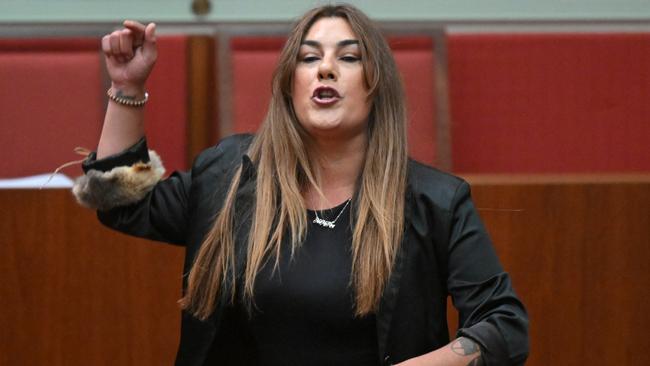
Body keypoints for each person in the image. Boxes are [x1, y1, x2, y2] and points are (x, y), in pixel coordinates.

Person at [73, 4, 528, 366]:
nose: (325, 69)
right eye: (309, 58)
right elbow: (123, 205)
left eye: (348, 58)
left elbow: (504, 326)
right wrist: (127, 88)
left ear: (376, 86)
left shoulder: (435, 200)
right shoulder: (229, 175)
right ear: (290, 85)